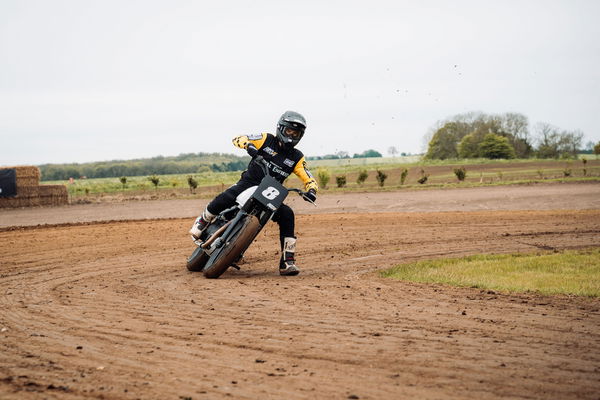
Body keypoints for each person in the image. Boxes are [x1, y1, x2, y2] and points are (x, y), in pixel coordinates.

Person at [189, 111, 318, 276]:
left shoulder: (297, 157)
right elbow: (239, 138)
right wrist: (248, 145)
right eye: (289, 131)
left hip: (270, 192)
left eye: (296, 133)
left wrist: (311, 189)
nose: (292, 135)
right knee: (228, 196)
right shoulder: (266, 138)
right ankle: (203, 220)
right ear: (281, 128)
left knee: (287, 214)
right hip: (249, 182)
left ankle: (287, 261)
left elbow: (307, 175)